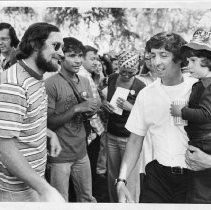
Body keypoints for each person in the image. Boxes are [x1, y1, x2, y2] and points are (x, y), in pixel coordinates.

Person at [116, 32, 197, 203]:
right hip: (157, 177)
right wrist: (122, 180)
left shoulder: (197, 89)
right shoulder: (146, 94)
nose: (155, 62)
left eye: (164, 55)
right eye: (152, 55)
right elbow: (135, 140)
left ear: (180, 58)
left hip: (195, 177)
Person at [0, 22, 65, 202]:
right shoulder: (14, 84)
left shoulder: (35, 76)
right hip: (17, 191)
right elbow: (4, 147)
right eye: (56, 46)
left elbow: (21, 120)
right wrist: (45, 189)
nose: (61, 53)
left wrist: (49, 133)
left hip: (32, 181)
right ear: (36, 45)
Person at [45, 37, 97, 202]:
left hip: (81, 152)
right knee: (60, 201)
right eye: (72, 55)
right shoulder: (51, 84)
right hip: (60, 155)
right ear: (61, 57)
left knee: (87, 198)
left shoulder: (85, 81)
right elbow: (48, 123)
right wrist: (76, 108)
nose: (78, 60)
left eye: (80, 55)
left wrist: (89, 111)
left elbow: (85, 114)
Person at [170, 28, 211, 203]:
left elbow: (205, 114)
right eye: (188, 60)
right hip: (196, 141)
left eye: (193, 60)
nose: (189, 65)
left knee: (199, 195)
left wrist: (182, 112)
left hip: (205, 143)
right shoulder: (198, 85)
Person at [103, 50, 146, 202]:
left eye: (130, 72)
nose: (126, 75)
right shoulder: (112, 78)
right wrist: (105, 105)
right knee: (113, 176)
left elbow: (146, 114)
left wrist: (130, 107)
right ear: (118, 68)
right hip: (112, 134)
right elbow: (105, 98)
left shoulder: (140, 86)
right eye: (123, 71)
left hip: (130, 139)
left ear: (136, 71)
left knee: (129, 179)